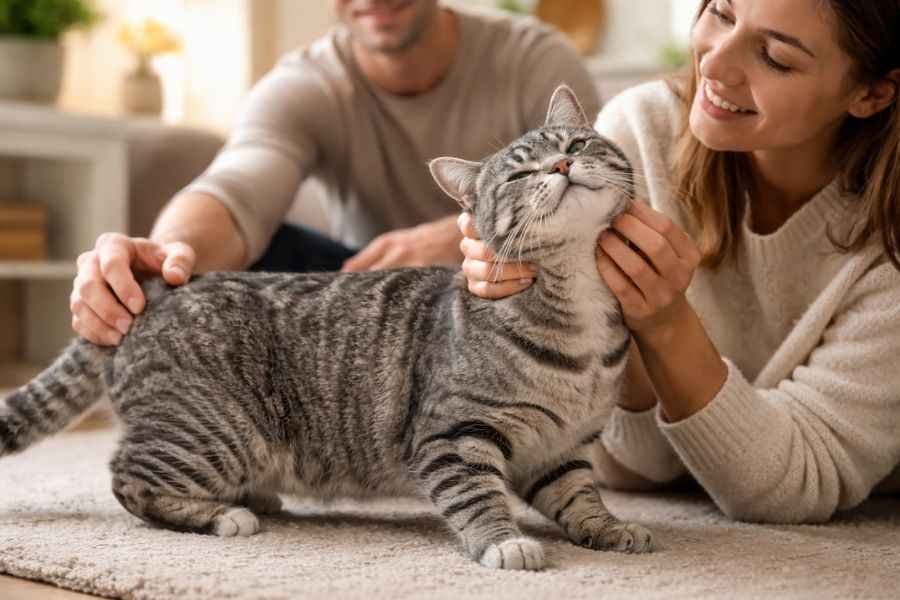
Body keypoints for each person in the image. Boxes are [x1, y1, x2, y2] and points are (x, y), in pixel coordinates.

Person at [459, 0, 900, 523]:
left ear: (870, 93)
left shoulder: (885, 244)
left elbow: (790, 488)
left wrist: (665, 325)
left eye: (776, 57)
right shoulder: (641, 129)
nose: (713, 64)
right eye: (721, 13)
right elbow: (626, 462)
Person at [70, 0, 599, 346]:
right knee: (266, 255)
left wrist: (462, 240)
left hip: (505, 283)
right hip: (370, 311)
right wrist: (163, 260)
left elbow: (601, 196)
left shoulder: (535, 60)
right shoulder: (306, 82)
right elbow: (233, 187)